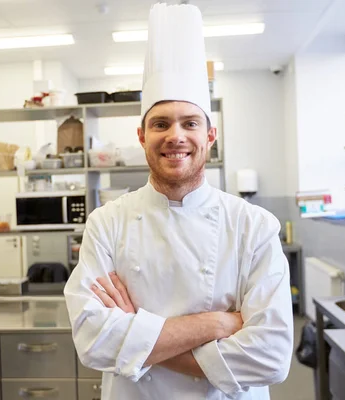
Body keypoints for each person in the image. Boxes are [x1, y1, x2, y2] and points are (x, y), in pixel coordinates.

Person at [64, 3, 293, 399]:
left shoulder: (253, 225)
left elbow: (271, 357)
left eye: (190, 123)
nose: (176, 136)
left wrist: (135, 331)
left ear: (210, 136)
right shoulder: (108, 223)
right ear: (141, 136)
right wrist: (214, 324)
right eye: (160, 124)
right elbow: (91, 340)